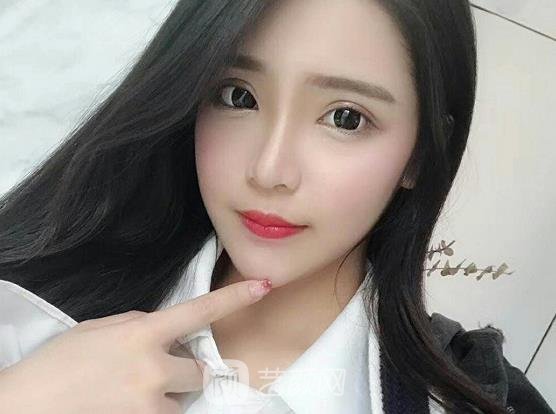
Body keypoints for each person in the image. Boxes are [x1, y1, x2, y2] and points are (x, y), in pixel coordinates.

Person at [0, 0, 552, 413]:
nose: (268, 170)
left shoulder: (473, 398)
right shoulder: (33, 304)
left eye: (346, 118)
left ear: (421, 154)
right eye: (238, 96)